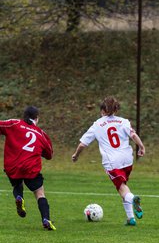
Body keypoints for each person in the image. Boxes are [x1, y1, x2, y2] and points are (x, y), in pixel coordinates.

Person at [72, 96, 145, 226]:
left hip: (112, 161)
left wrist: (76, 155)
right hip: (128, 159)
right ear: (116, 110)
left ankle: (133, 199)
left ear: (102, 111)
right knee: (122, 187)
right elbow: (133, 135)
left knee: (122, 187)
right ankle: (131, 219)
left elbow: (83, 144)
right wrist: (141, 146)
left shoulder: (97, 124)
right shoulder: (123, 121)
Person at [0, 106, 56, 231]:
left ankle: (19, 197)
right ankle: (46, 219)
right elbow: (49, 155)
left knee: (17, 184)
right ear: (37, 118)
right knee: (39, 192)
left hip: (13, 166)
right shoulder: (41, 133)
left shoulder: (14, 123)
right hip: (31, 168)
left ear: (24, 115)